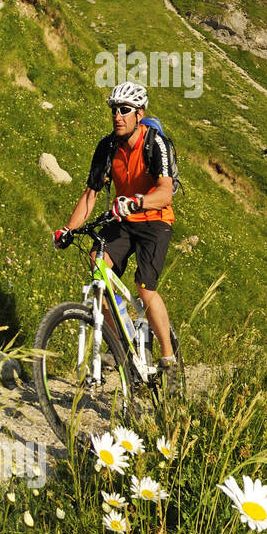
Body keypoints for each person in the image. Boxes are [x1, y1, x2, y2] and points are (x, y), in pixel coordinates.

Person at [53, 81, 178, 374]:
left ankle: (169, 360)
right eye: (114, 110)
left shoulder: (155, 143)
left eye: (125, 110)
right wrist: (67, 230)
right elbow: (90, 195)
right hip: (122, 220)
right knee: (100, 273)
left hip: (155, 220)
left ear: (139, 113)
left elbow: (165, 192)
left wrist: (137, 201)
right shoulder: (107, 147)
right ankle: (122, 348)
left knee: (145, 289)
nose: (117, 116)